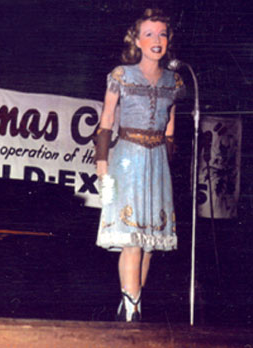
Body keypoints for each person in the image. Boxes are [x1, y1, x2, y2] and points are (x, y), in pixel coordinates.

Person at [95, 8, 185, 322]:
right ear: (137, 39)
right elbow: (107, 119)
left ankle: (131, 304)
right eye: (149, 34)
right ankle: (133, 312)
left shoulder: (174, 80)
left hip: (157, 159)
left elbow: (170, 125)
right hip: (128, 159)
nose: (156, 40)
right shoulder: (122, 74)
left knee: (149, 244)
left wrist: (167, 163)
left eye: (161, 34)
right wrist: (102, 161)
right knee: (131, 239)